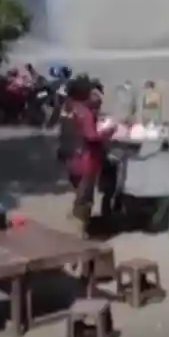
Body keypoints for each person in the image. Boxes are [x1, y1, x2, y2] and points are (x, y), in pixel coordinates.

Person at [61, 76, 117, 235]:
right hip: (85, 158)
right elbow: (92, 136)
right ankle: (79, 231)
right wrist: (108, 131)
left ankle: (73, 220)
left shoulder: (68, 106)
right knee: (85, 197)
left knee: (78, 190)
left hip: (69, 155)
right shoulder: (83, 112)